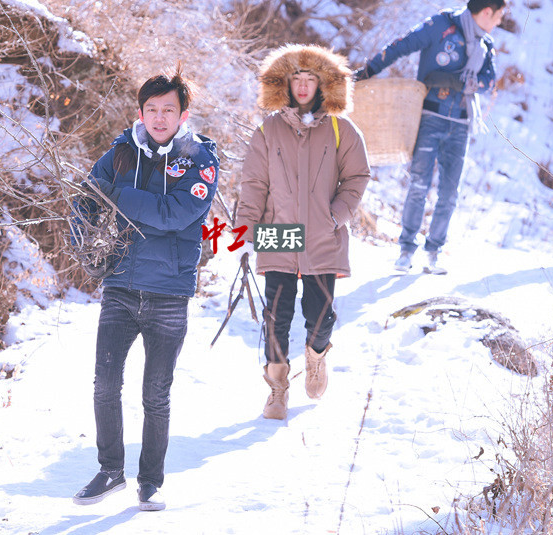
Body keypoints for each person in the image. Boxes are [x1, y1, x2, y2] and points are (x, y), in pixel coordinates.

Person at [69, 69, 219, 511]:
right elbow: (85, 199)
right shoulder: (120, 153)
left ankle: (149, 480)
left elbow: (175, 214)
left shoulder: (200, 159)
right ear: (140, 112)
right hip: (120, 284)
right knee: (104, 384)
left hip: (169, 293)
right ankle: (110, 470)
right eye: (151, 109)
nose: (158, 117)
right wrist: (85, 244)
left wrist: (118, 198)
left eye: (167, 110)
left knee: (156, 393)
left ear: (182, 114)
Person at [235, 44, 370, 420]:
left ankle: (316, 356)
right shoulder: (268, 131)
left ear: (324, 84)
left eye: (311, 79)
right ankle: (277, 390)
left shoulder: (342, 130)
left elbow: (357, 177)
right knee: (275, 317)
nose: (304, 86)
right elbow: (253, 184)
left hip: (323, 233)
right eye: (298, 79)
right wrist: (244, 233)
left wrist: (335, 215)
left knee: (321, 315)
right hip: (278, 233)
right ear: (286, 84)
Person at [353, 0, 507, 274]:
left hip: (461, 122)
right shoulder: (441, 25)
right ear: (487, 12)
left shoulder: (486, 44)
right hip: (429, 116)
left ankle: (433, 251)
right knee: (419, 184)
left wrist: (461, 84)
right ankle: (406, 248)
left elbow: (490, 81)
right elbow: (402, 45)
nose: (499, 22)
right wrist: (369, 71)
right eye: (498, 16)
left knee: (449, 192)